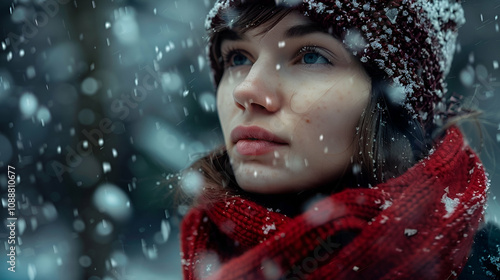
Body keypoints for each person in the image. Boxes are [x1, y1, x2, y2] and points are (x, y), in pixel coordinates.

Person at [179, 0, 498, 279]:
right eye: (237, 58)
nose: (246, 90)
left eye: (311, 57)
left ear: (392, 103)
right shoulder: (206, 251)